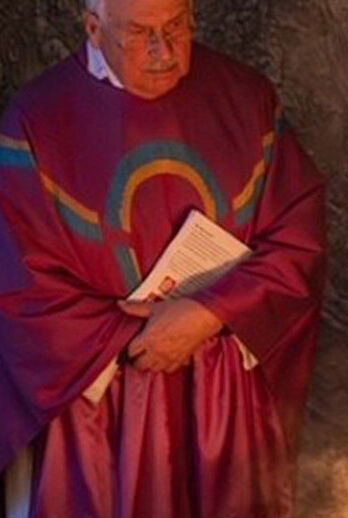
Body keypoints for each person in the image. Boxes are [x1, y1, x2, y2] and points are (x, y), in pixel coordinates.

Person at [0, 0, 327, 515]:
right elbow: (20, 285)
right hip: (98, 408)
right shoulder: (36, 120)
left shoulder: (246, 99)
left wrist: (209, 312)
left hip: (218, 396)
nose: (164, 53)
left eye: (176, 28)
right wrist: (138, 337)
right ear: (93, 28)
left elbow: (297, 237)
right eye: (139, 34)